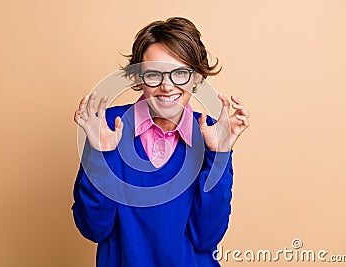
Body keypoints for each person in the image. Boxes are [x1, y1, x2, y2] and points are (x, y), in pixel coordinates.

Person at [71, 17, 250, 267]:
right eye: (154, 75)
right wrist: (102, 156)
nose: (167, 87)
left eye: (180, 73)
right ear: (137, 78)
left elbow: (206, 237)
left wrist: (219, 155)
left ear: (197, 78)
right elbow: (93, 228)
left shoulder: (211, 132)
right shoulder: (108, 126)